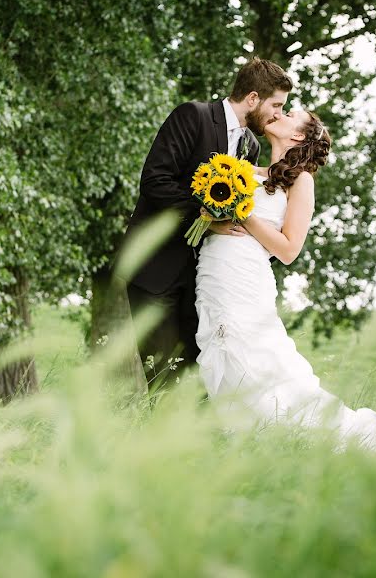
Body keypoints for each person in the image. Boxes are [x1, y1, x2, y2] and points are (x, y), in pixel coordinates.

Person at [195, 109, 376, 452]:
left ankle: (281, 434)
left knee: (255, 355)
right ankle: (241, 439)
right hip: (215, 271)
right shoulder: (240, 171)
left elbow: (289, 249)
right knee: (221, 347)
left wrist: (246, 216)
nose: (279, 113)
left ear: (300, 136)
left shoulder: (301, 180)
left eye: (289, 113)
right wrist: (216, 219)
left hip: (247, 279)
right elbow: (214, 220)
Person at [122, 57, 292, 391]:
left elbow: (236, 206)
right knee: (165, 381)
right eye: (276, 105)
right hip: (156, 268)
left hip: (204, 280)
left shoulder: (250, 146)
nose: (278, 114)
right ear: (254, 98)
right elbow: (155, 181)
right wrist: (205, 218)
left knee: (202, 381)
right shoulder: (193, 116)